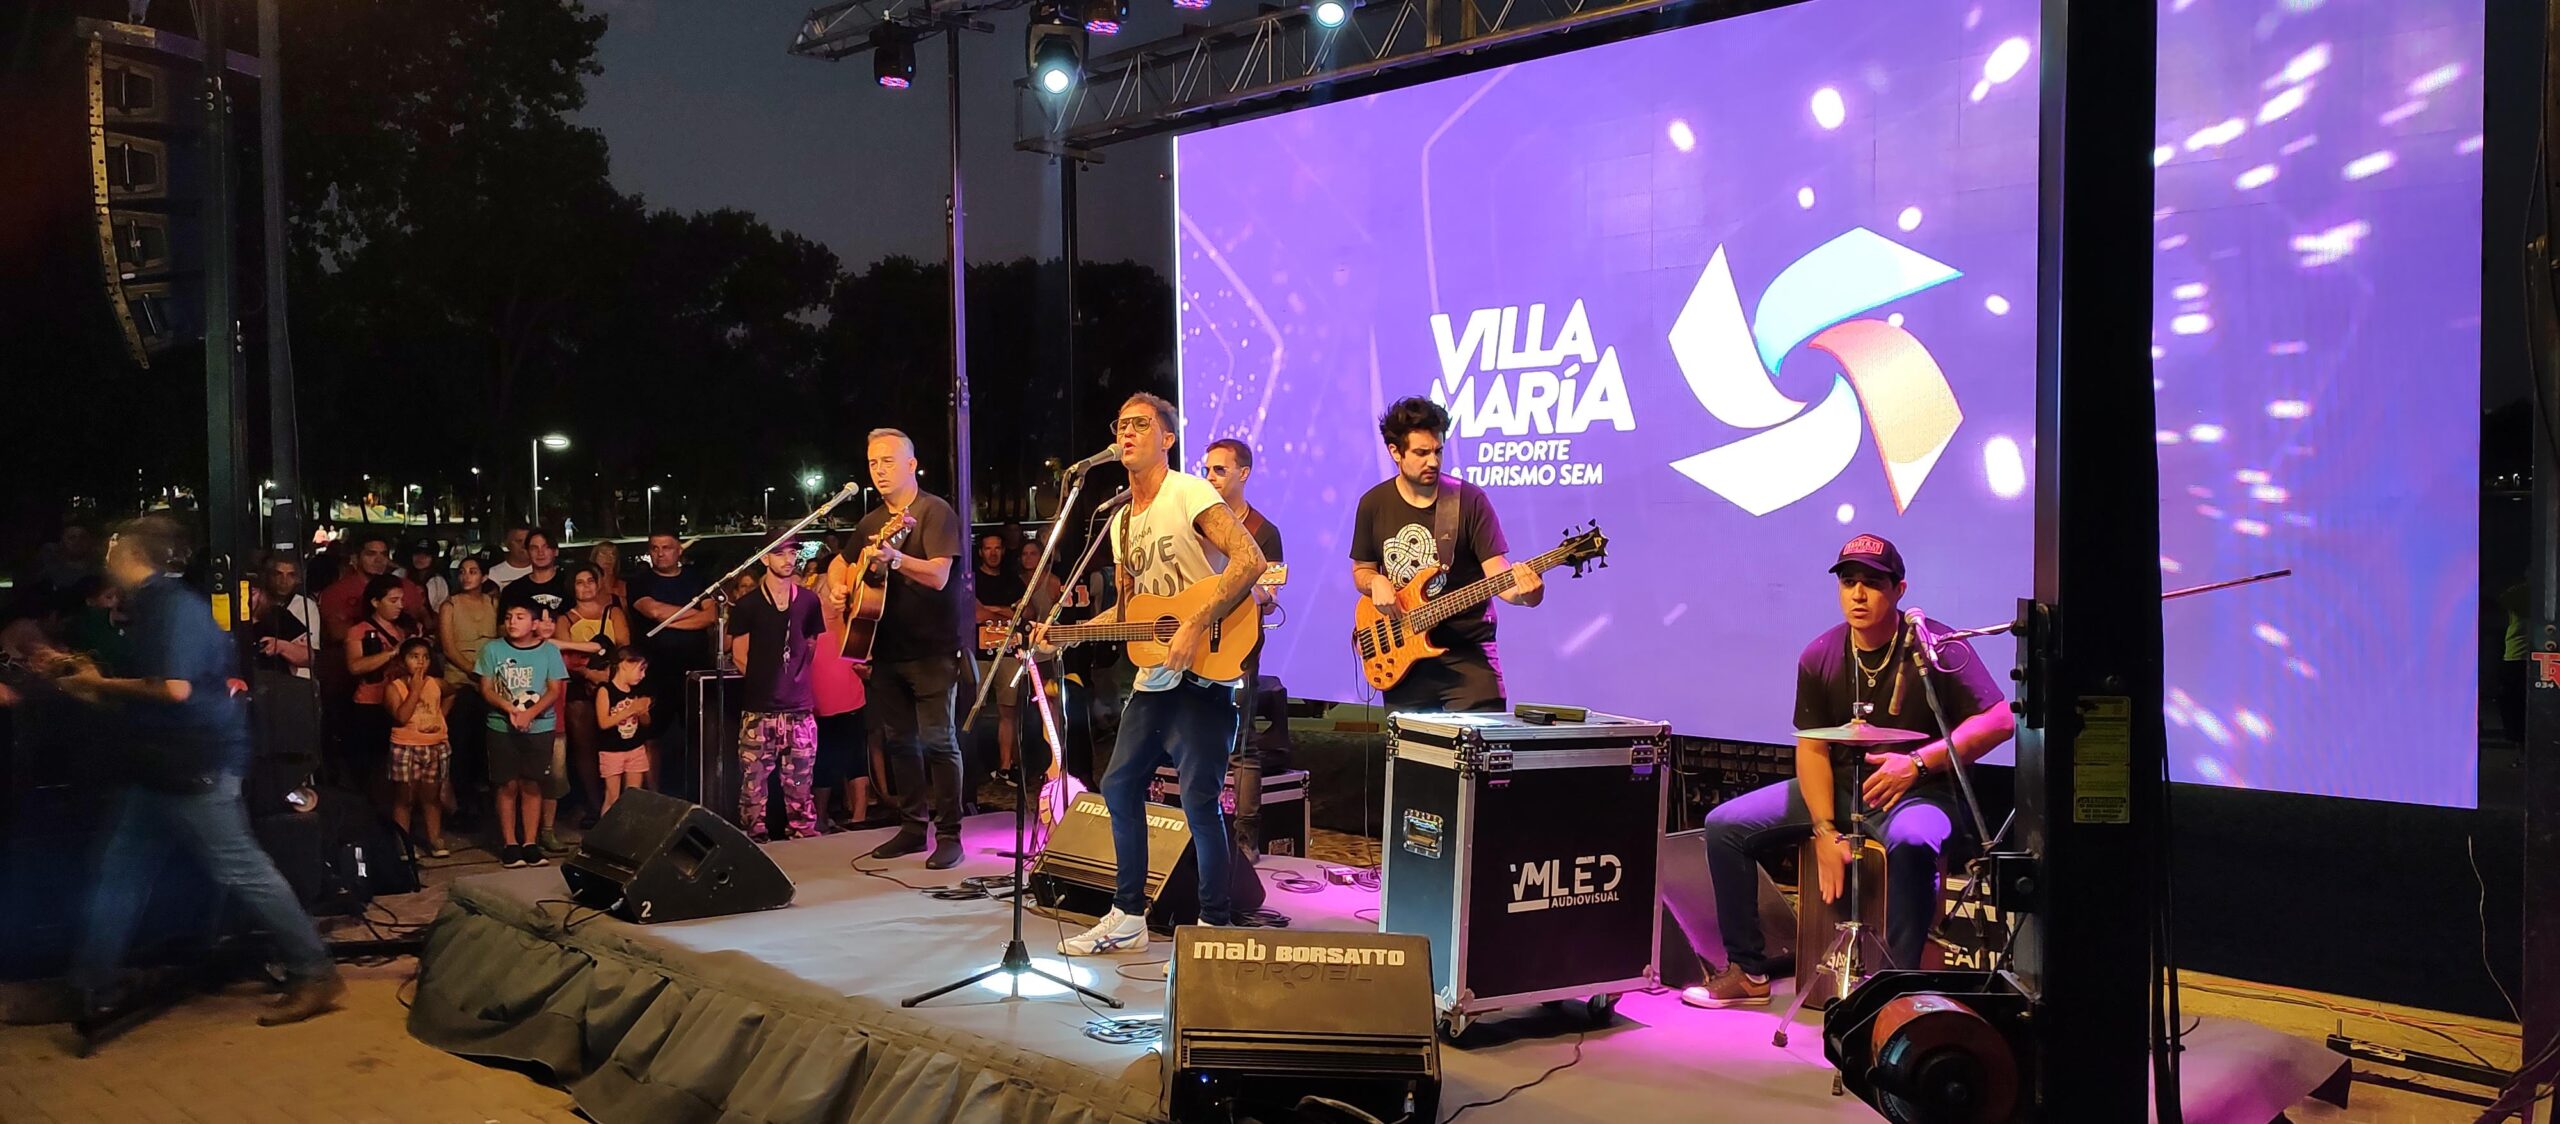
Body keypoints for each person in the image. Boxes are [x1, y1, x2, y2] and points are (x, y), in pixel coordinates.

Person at [1686, 535, 2015, 1009]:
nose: (1858, 594)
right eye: (1848, 582)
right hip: (1842, 787)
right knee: (1724, 826)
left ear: (1899, 589)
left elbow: (1999, 721)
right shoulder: (1820, 654)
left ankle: (1898, 987)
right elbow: (1812, 748)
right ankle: (1748, 971)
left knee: (1914, 839)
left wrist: (1917, 763)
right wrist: (1823, 829)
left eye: (1873, 583)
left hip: (1920, 791)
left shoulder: (1935, 646)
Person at [58, 516, 343, 1028]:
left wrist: (98, 685)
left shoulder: (175, 607)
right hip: (163, 762)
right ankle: (90, 986)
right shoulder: (150, 604)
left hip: (197, 762)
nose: (107, 555)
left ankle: (314, 970)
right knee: (120, 873)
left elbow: (176, 689)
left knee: (241, 870)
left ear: (134, 553)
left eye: (115, 547)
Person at [1052, 393, 1268, 956]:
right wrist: (1069, 632)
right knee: (1118, 785)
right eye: (1121, 425)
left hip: (1205, 671)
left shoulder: (1189, 492)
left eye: (1140, 425)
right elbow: (1129, 613)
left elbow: (1249, 559)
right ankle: (1128, 915)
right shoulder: (1122, 521)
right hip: (1155, 679)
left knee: (1199, 802)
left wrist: (1195, 623)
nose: (1127, 434)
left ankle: (1213, 925)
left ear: (1167, 439)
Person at [1349, 397, 1542, 713]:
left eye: (1438, 451)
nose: (1433, 462)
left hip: (1468, 660)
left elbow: (1497, 571)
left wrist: (1525, 595)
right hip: (1402, 659)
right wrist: (1375, 582)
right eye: (1421, 453)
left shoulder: (1470, 500)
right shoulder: (1373, 504)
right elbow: (1362, 570)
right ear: (1395, 452)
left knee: (1477, 744)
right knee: (1411, 746)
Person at [852, 429, 971, 869]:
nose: (879, 470)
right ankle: (912, 827)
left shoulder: (934, 512)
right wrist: (840, 586)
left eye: (887, 461)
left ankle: (950, 834)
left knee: (939, 742)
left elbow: (939, 575)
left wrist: (897, 559)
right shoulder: (870, 523)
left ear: (911, 465)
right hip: (886, 650)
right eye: (872, 463)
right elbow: (843, 567)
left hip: (933, 649)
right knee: (900, 742)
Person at [729, 537, 827, 842]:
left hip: (799, 706)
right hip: (760, 708)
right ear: (764, 558)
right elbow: (739, 654)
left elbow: (811, 644)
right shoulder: (748, 605)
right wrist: (765, 685)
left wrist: (793, 680)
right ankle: (753, 836)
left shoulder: (809, 601)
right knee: (753, 783)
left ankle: (802, 832)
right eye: (779, 553)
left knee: (801, 782)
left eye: (792, 552)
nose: (788, 559)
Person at [1203, 437, 1293, 771]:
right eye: (1207, 470)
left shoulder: (1263, 531)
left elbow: (1269, 601)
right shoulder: (1196, 525)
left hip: (1239, 647)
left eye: (1219, 470)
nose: (1210, 477)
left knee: (1240, 744)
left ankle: (1242, 808)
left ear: (1243, 474)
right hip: (1196, 643)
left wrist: (1245, 587)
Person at [497, 528, 575, 851]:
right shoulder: (515, 590)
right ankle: (514, 837)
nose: (540, 552)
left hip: (552, 698)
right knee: (515, 776)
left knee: (552, 768)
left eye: (546, 546)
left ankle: (545, 830)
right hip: (515, 698)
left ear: (555, 551)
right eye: (533, 547)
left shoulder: (567, 585)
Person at [476, 603, 567, 869]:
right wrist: (510, 709)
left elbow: (554, 690)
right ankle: (510, 843)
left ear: (535, 624)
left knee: (532, 783)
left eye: (520, 617)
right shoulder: (492, 649)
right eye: (508, 617)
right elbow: (487, 688)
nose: (512, 622)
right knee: (507, 784)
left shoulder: (549, 651)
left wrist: (530, 714)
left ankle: (529, 842)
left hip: (540, 727)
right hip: (501, 726)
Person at [625, 532, 716, 780]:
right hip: (654, 671)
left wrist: (669, 622)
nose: (660, 553)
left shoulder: (697, 578)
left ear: (679, 550)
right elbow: (654, 611)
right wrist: (694, 611)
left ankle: (699, 790)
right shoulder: (639, 582)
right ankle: (653, 794)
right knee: (651, 736)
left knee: (700, 736)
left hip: (695, 670)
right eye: (654, 548)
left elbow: (710, 616)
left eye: (666, 547)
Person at [556, 562, 630, 823]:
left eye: (590, 581)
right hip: (581, 685)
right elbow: (565, 658)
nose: (586, 587)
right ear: (572, 587)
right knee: (584, 748)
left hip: (615, 683)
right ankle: (594, 805)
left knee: (618, 746)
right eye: (580, 582)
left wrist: (609, 676)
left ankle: (621, 804)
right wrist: (589, 675)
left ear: (598, 584)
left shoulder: (613, 612)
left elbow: (624, 647)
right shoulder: (564, 619)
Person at [439, 557, 501, 821]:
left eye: (473, 572)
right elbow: (448, 647)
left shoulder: (494, 604)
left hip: (490, 676)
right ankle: (462, 799)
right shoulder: (450, 605)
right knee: (461, 735)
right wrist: (473, 671)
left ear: (484, 577)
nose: (466, 576)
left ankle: (486, 795)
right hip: (460, 677)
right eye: (463, 572)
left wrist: (487, 673)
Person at [343, 575, 415, 799]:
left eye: (401, 600)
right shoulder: (358, 631)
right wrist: (393, 652)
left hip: (397, 702)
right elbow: (355, 666)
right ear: (375, 602)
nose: (400, 605)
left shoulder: (401, 630)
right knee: (370, 766)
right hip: (369, 703)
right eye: (393, 600)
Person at [813, 561, 873, 830]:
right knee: (826, 763)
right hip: (821, 703)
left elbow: (865, 664)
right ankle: (825, 818)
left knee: (849, 761)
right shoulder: (810, 624)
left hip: (847, 701)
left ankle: (854, 818)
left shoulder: (851, 621)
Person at [384, 638, 452, 856]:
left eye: (425, 657)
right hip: (406, 746)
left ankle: (435, 839)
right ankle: (403, 844)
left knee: (431, 796)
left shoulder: (436, 683)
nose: (420, 662)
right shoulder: (394, 688)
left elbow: (451, 692)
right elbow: (402, 716)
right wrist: (415, 690)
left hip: (434, 745)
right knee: (405, 798)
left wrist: (441, 717)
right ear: (403, 661)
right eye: (414, 657)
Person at [972, 532, 1030, 785]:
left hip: (1008, 652)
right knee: (973, 709)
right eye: (988, 548)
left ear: (1004, 551)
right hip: (979, 654)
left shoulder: (1012, 580)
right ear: (980, 552)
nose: (993, 553)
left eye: (997, 548)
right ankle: (972, 765)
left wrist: (992, 609)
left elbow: (1027, 612)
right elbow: (976, 615)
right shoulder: (972, 579)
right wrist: (1008, 612)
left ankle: (1006, 765)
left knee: (1009, 710)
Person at [593, 649, 654, 815]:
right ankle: (608, 829)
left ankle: (629, 829)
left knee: (634, 796)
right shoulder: (605, 690)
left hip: (635, 749)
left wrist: (643, 711)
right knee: (612, 797)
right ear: (625, 664)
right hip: (612, 751)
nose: (643, 675)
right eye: (640, 669)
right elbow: (603, 722)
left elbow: (646, 723)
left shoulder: (636, 691)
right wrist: (630, 710)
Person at [248, 555, 318, 679]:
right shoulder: (224, 618)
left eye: (252, 593)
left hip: (279, 683)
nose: (246, 599)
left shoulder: (278, 615)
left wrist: (282, 646)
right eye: (278, 574)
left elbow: (308, 656)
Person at [402, 542, 452, 614]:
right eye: (417, 554)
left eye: (426, 555)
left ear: (434, 558)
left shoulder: (438, 582)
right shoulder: (402, 574)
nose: (420, 558)